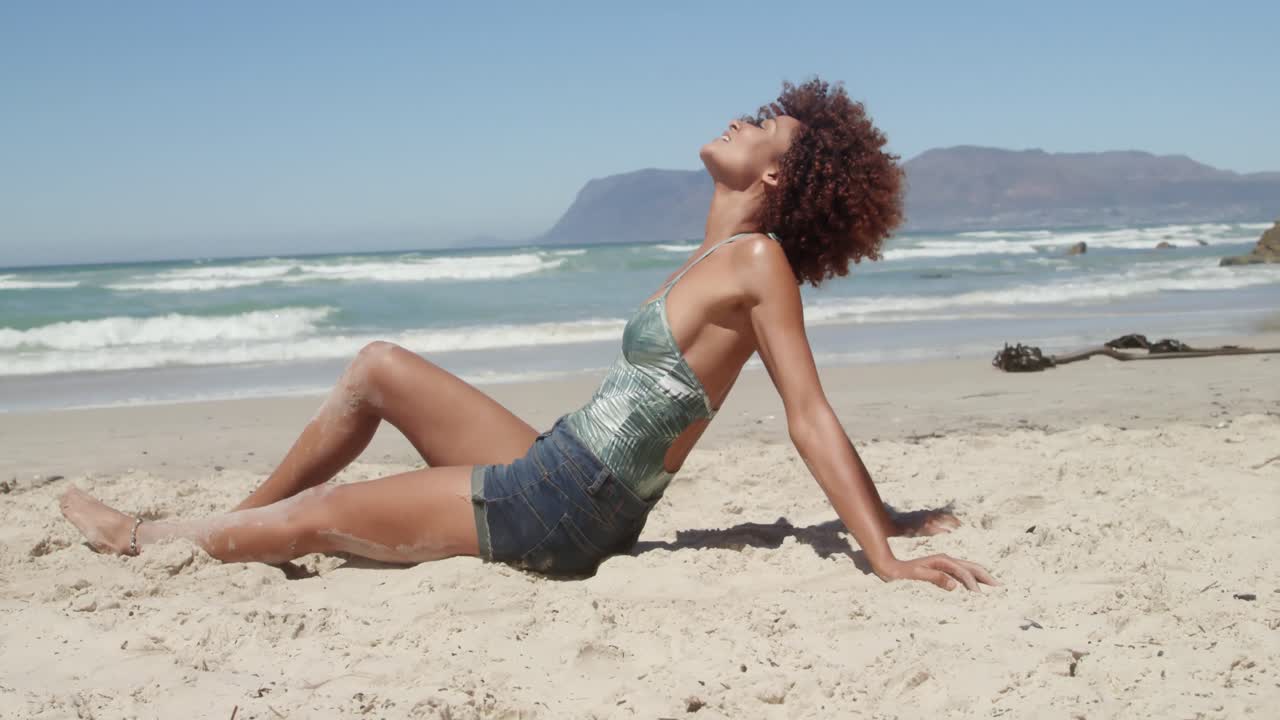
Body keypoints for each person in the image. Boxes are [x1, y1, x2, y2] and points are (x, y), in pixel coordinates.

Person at [60, 78, 996, 592]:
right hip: (558, 465)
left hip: (562, 510)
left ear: (781, 178)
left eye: (763, 124)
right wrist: (883, 514)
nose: (739, 117)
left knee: (326, 512)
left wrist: (882, 547)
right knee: (377, 366)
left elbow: (810, 413)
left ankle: (150, 538)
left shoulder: (758, 266)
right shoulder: (716, 255)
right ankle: (239, 525)